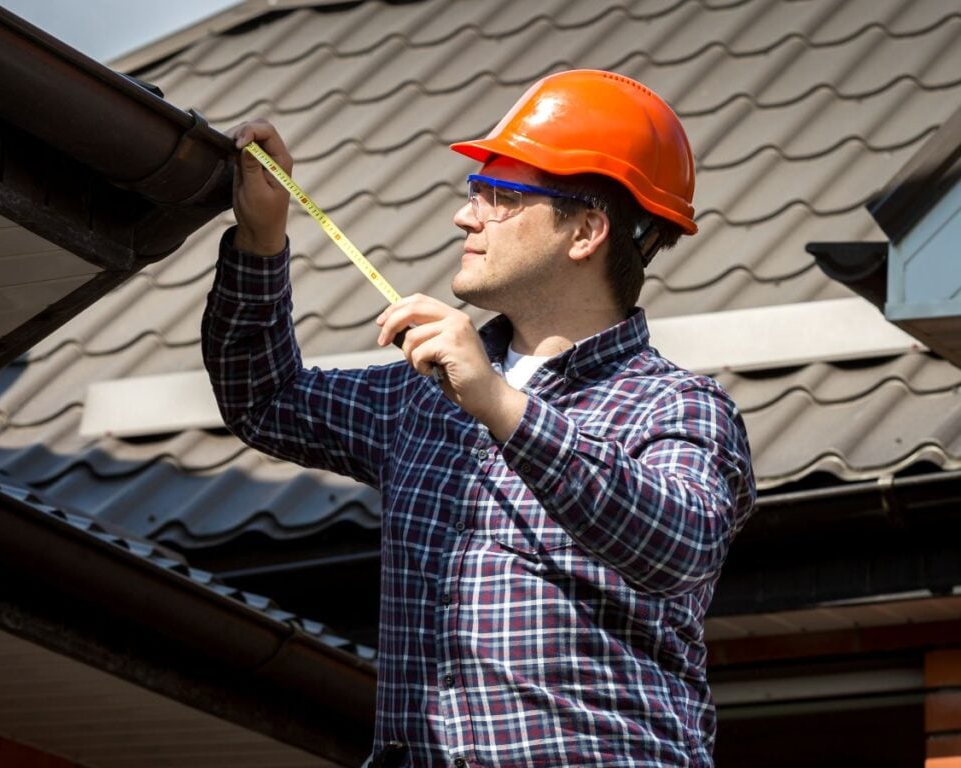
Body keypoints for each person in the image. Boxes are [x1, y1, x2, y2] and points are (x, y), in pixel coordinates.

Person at [203, 69, 756, 768]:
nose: (468, 216)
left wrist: (499, 405)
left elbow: (676, 544)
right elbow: (264, 398)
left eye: (501, 195)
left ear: (585, 230)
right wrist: (261, 238)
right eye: (476, 191)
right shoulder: (423, 396)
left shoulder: (676, 406)